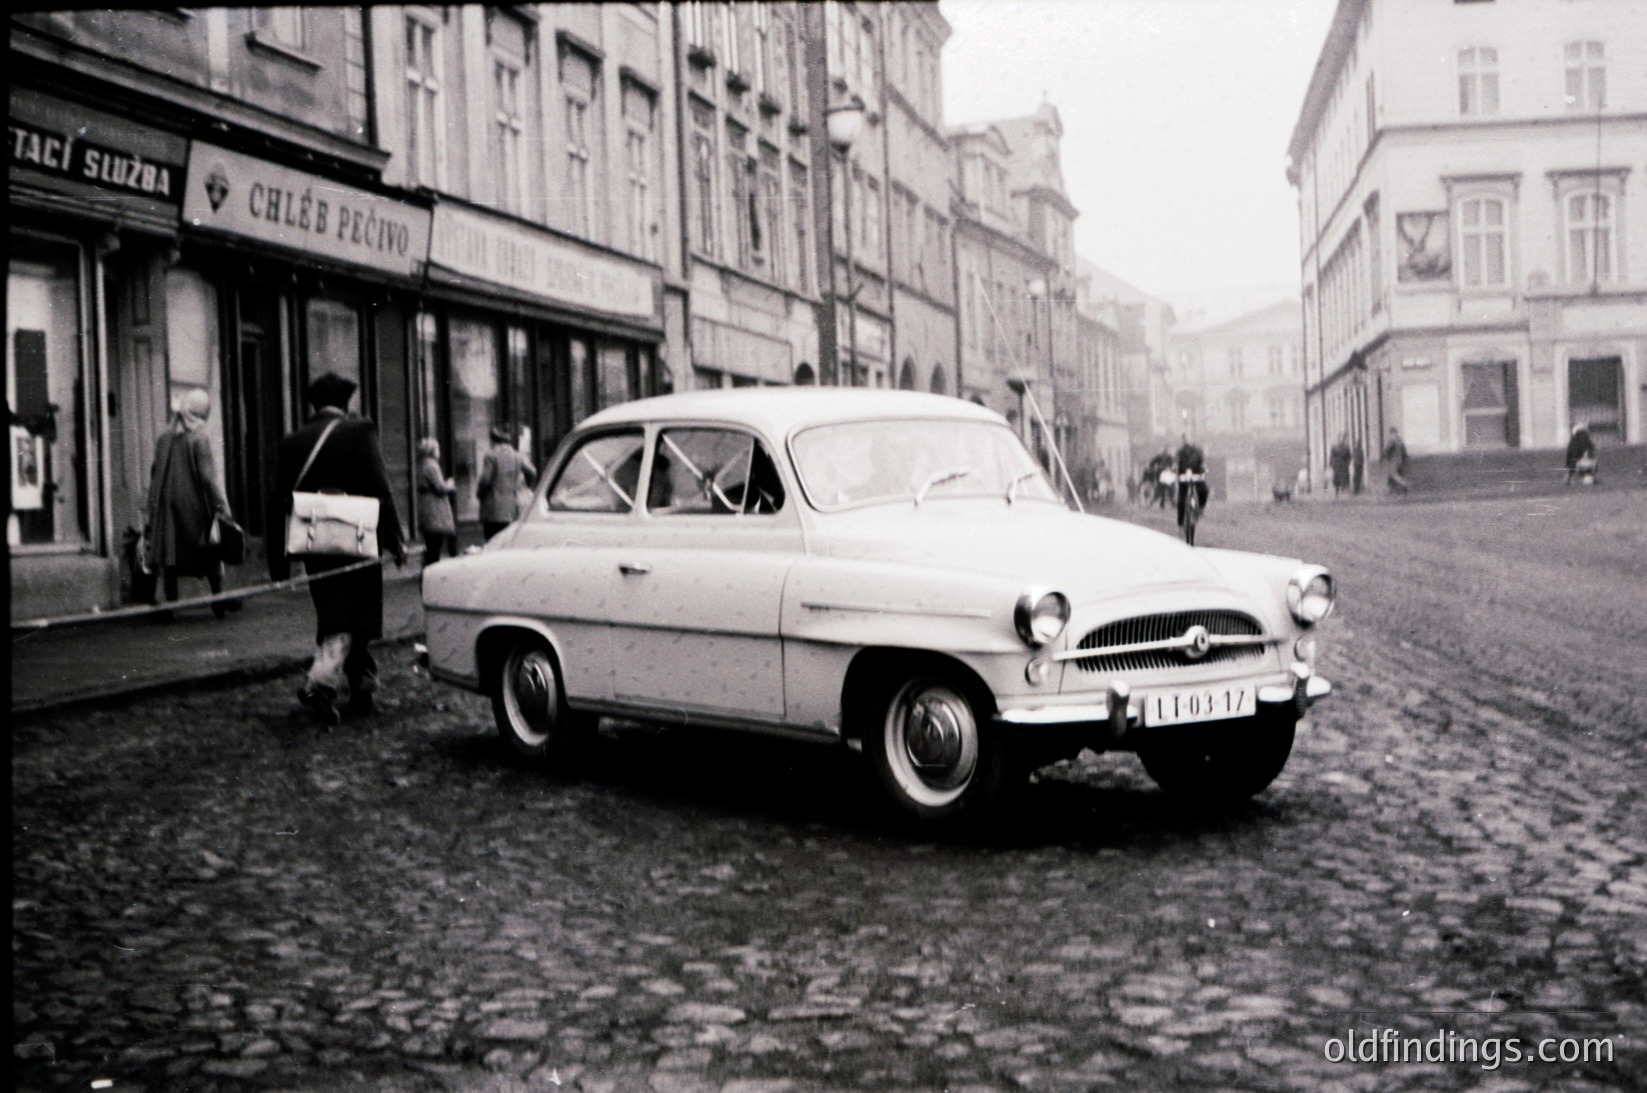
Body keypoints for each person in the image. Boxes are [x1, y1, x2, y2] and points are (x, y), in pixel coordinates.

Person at [269, 373, 405, 725]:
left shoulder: (292, 442)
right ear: (345, 403)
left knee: (339, 612)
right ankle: (321, 684)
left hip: (315, 544)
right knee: (350, 616)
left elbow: (277, 503)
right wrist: (395, 538)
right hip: (356, 541)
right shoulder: (359, 432)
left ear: (314, 404)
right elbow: (380, 487)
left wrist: (278, 560)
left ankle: (363, 686)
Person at [143, 389, 234, 620]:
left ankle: (169, 604)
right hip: (192, 504)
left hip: (165, 503)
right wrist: (223, 507)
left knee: (170, 555)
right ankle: (218, 599)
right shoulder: (199, 438)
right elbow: (208, 477)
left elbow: (155, 472)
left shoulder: (164, 438)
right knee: (209, 549)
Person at [477, 424, 538, 540]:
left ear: (494, 441)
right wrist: (526, 487)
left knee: (491, 541)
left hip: (492, 508)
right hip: (511, 508)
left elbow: (485, 479)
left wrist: (480, 494)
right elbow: (532, 472)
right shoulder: (517, 456)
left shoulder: (491, 456)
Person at [416, 437, 458, 567]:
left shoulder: (422, 464)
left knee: (431, 544)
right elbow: (440, 487)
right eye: (437, 448)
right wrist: (449, 485)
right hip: (434, 510)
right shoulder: (432, 465)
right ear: (433, 450)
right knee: (435, 545)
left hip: (427, 508)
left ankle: (428, 566)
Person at [1174, 432, 1209, 531]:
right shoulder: (1180, 451)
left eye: (1189, 438)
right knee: (1181, 499)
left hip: (1197, 475)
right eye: (1185, 439)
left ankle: (1201, 508)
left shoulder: (1198, 451)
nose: (1187, 441)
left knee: (1204, 491)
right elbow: (1176, 460)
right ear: (1183, 440)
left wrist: (1203, 466)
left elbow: (1203, 460)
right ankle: (1181, 524)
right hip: (1183, 476)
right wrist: (1175, 466)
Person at [1382, 427, 1410, 495]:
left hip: (1394, 461)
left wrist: (1383, 457)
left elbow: (1387, 450)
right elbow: (1404, 452)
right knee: (1392, 476)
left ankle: (1404, 485)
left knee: (1394, 474)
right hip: (1400, 461)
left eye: (1391, 433)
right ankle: (1391, 490)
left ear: (1392, 433)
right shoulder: (1400, 441)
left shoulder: (1392, 441)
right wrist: (1405, 460)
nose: (1391, 435)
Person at [1329, 434, 1352, 499]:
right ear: (1338, 439)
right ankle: (1337, 492)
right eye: (1340, 438)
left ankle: (1343, 490)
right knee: (1336, 479)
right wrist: (1331, 464)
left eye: (1343, 439)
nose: (1341, 440)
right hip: (1337, 466)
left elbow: (1349, 456)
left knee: (1344, 478)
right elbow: (1331, 456)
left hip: (1344, 466)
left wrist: (1347, 463)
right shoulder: (1334, 447)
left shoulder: (1346, 447)